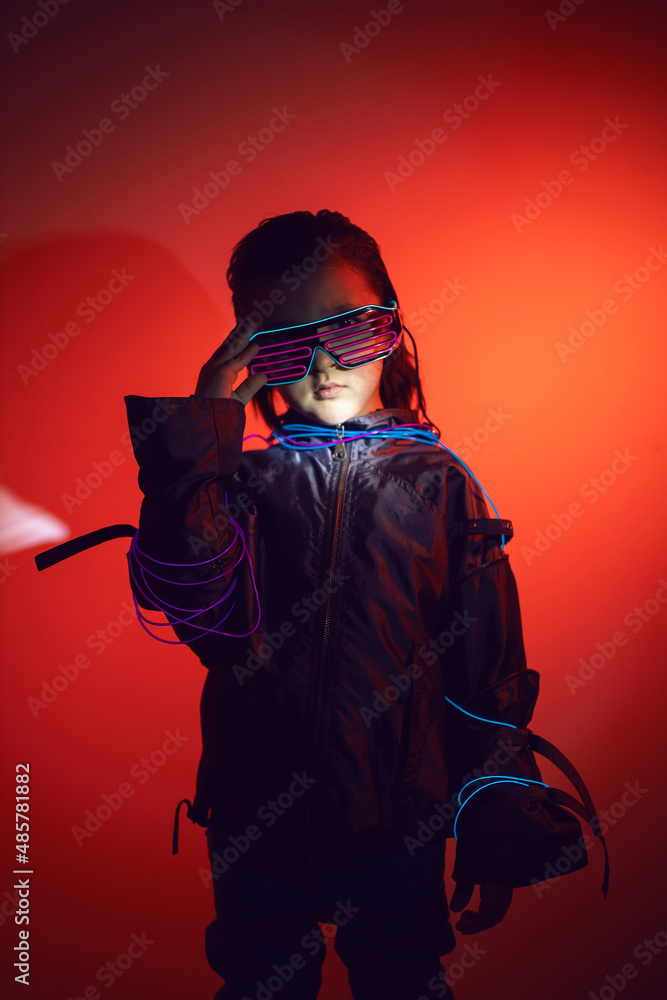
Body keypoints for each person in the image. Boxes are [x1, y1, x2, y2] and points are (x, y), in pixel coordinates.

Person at [122, 210, 592, 1000]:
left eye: (352, 330)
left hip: (397, 824)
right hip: (255, 823)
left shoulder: (440, 485)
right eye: (285, 341)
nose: (324, 364)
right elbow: (198, 609)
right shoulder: (239, 485)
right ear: (250, 354)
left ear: (394, 331)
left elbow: (486, 672)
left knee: (403, 981)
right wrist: (202, 428)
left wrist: (495, 817)